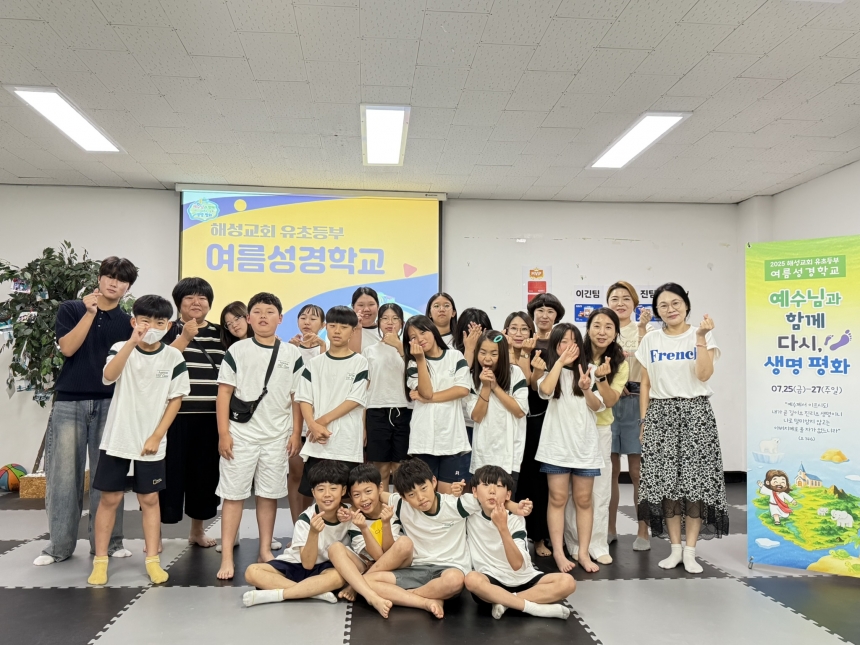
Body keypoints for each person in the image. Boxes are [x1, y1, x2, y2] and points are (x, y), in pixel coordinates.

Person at [36, 256, 139, 567]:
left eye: (121, 280)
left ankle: (109, 543)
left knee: (107, 478)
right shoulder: (71, 309)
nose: (114, 283)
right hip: (69, 402)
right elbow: (68, 348)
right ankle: (58, 547)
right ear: (99, 278)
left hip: (111, 404)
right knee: (63, 477)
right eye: (109, 276)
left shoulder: (128, 323)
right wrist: (89, 313)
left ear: (128, 287)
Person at [87, 295, 190, 586]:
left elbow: (176, 399)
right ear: (134, 321)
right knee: (110, 499)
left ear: (168, 326)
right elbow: (108, 376)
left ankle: (152, 560)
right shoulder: (121, 347)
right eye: (145, 321)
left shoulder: (173, 357)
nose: (152, 327)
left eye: (159, 322)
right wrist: (132, 342)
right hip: (118, 437)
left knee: (150, 499)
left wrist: (157, 435)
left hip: (152, 441)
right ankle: (100, 561)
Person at [362, 458, 531, 619]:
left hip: (450, 569)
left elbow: (491, 500)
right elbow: (380, 495)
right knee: (368, 580)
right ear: (403, 497)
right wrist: (358, 502)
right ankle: (425, 601)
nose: (420, 497)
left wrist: (516, 507)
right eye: (412, 494)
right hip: (417, 568)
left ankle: (407, 595)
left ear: (434, 482)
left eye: (424, 488)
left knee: (455, 581)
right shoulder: (400, 504)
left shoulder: (457, 504)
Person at [635, 282, 727, 574]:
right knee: (667, 486)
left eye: (675, 303)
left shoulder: (702, 334)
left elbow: (704, 374)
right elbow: (645, 384)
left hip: (695, 413)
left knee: (695, 486)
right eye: (663, 305)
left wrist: (699, 338)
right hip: (660, 413)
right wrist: (644, 420)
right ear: (657, 311)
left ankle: (690, 551)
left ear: (686, 304)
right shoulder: (651, 339)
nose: (670, 309)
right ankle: (675, 549)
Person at [215, 292, 304, 580]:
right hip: (240, 435)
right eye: (257, 311)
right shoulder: (237, 350)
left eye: (269, 311)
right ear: (248, 318)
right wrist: (223, 433)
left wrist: (296, 433)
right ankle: (227, 556)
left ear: (280, 318)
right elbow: (224, 394)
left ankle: (265, 549)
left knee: (269, 495)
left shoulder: (292, 354)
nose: (263, 316)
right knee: (233, 495)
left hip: (277, 436)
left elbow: (297, 397)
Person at [159, 277, 224, 550]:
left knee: (204, 477)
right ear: (179, 303)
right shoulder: (166, 329)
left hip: (210, 418)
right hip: (173, 417)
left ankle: (197, 531)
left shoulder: (221, 333)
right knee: (167, 476)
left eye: (202, 298)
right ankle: (155, 535)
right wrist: (184, 336)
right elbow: (160, 363)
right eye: (189, 298)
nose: (196, 302)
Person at [242, 460, 363, 607]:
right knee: (252, 571)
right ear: (313, 492)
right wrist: (313, 533)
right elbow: (307, 564)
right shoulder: (305, 519)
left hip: (325, 568)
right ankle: (315, 592)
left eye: (333, 488)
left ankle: (281, 594)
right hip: (297, 563)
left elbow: (362, 557)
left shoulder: (349, 515)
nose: (327, 494)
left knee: (339, 577)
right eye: (321, 489)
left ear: (343, 491)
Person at [536, 323, 605, 574]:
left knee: (584, 500)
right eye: (563, 341)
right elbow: (545, 391)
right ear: (555, 345)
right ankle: (558, 550)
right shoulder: (549, 372)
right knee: (557, 499)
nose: (569, 346)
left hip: (585, 447)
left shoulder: (591, 371)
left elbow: (598, 406)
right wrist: (559, 362)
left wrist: (586, 388)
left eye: (574, 341)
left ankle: (583, 552)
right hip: (556, 447)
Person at [464, 466, 575, 620]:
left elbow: (517, 565)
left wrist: (502, 527)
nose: (492, 491)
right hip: (491, 579)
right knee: (472, 579)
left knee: (568, 582)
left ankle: (506, 602)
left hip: (523, 577)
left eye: (499, 486)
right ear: (474, 491)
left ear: (508, 494)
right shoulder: (470, 513)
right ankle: (533, 608)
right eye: (486, 485)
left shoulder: (515, 518)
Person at [564, 308, 627, 565]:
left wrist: (601, 378)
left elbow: (610, 401)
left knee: (600, 490)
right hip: (572, 428)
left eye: (608, 327)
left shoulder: (620, 362)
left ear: (615, 333)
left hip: (600, 429)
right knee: (572, 491)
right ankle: (574, 543)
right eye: (597, 325)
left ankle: (597, 543)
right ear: (588, 328)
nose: (602, 332)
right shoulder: (574, 353)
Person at [296, 306, 369, 497]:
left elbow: (354, 399)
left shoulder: (360, 362)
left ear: (353, 331)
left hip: (346, 444)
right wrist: (312, 424)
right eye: (333, 326)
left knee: (347, 499)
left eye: (344, 327)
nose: (337, 331)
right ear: (326, 327)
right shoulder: (314, 363)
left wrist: (319, 422)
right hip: (317, 444)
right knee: (320, 497)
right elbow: (304, 398)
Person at [605, 281, 654, 551]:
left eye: (626, 298)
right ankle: (610, 528)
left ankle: (643, 531)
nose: (620, 303)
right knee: (610, 472)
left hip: (637, 402)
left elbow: (650, 365)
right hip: (610, 404)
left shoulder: (646, 330)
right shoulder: (603, 329)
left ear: (634, 303)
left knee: (637, 472)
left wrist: (644, 329)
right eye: (615, 298)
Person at [516, 293, 565, 559]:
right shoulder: (524, 340)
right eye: (540, 311)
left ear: (557, 316)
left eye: (550, 311)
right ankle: (524, 534)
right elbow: (525, 383)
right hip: (526, 418)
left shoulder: (561, 343)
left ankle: (544, 536)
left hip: (554, 417)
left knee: (548, 482)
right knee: (526, 478)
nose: (544, 316)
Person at [403, 315, 471, 494]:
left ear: (432, 330)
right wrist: (420, 360)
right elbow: (426, 391)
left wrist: (428, 399)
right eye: (413, 337)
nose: (419, 339)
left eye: (422, 332)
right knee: (427, 493)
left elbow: (462, 390)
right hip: (424, 438)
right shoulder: (413, 363)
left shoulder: (455, 356)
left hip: (451, 436)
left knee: (448, 495)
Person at [327, 464, 402, 617]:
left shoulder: (391, 510)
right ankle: (371, 596)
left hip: (391, 566)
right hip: (365, 564)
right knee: (335, 548)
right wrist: (363, 528)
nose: (363, 499)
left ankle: (356, 585)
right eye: (356, 495)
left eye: (368, 491)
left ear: (380, 488)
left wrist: (386, 523)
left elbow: (385, 556)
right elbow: (375, 556)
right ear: (350, 495)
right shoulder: (354, 517)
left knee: (403, 546)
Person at [465, 331, 529, 489]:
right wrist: (486, 387)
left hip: (509, 456)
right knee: (482, 501)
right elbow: (477, 416)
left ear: (503, 355)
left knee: (505, 500)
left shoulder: (515, 373)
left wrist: (495, 386)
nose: (487, 358)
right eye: (482, 352)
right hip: (482, 455)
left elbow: (520, 411)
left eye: (494, 354)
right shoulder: (472, 377)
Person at [287, 304, 327, 526]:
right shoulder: (289, 348)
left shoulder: (327, 349)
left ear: (323, 325)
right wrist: (291, 350)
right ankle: (297, 526)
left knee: (315, 477)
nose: (307, 322)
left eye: (313, 318)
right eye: (303, 317)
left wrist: (322, 347)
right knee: (295, 474)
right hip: (294, 421)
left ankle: (311, 525)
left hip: (317, 422)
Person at [363, 303, 411, 490]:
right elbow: (364, 389)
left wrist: (399, 346)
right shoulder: (370, 351)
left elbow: (415, 372)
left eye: (395, 318)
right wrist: (363, 425)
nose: (390, 323)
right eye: (385, 318)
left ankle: (399, 507)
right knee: (381, 469)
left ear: (402, 323)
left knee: (400, 470)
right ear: (378, 323)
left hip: (404, 410)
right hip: (376, 411)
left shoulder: (410, 349)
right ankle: (381, 508)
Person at [349, 287, 380, 353]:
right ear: (353, 307)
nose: (366, 309)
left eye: (371, 304)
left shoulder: (385, 331)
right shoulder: (345, 331)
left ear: (378, 306)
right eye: (361, 305)